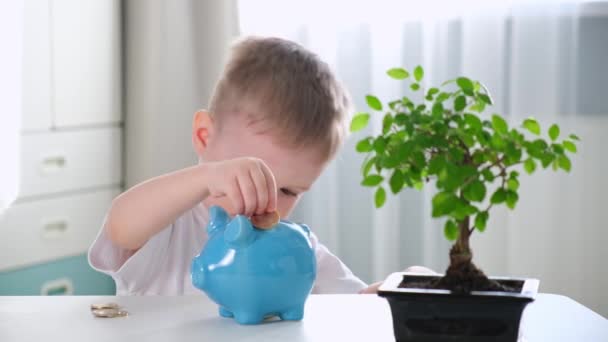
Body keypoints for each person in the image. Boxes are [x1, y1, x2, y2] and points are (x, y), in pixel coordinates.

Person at [88, 36, 433, 296]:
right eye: (246, 174)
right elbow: (121, 227)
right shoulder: (169, 232)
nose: (264, 202)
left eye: (288, 191)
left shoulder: (296, 249)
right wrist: (208, 178)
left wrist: (400, 290)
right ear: (204, 136)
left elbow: (351, 308)